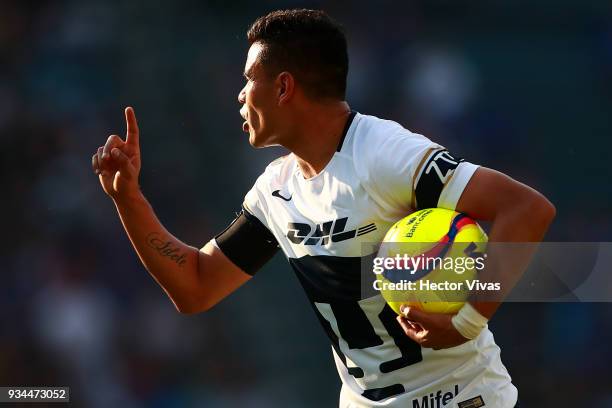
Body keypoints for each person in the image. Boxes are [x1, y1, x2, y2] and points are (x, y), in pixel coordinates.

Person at [91, 9, 555, 408]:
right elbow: (195, 286)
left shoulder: (386, 154)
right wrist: (129, 200)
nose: (239, 94)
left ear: (284, 87)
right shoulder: (275, 189)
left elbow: (526, 209)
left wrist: (468, 320)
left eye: (249, 78)